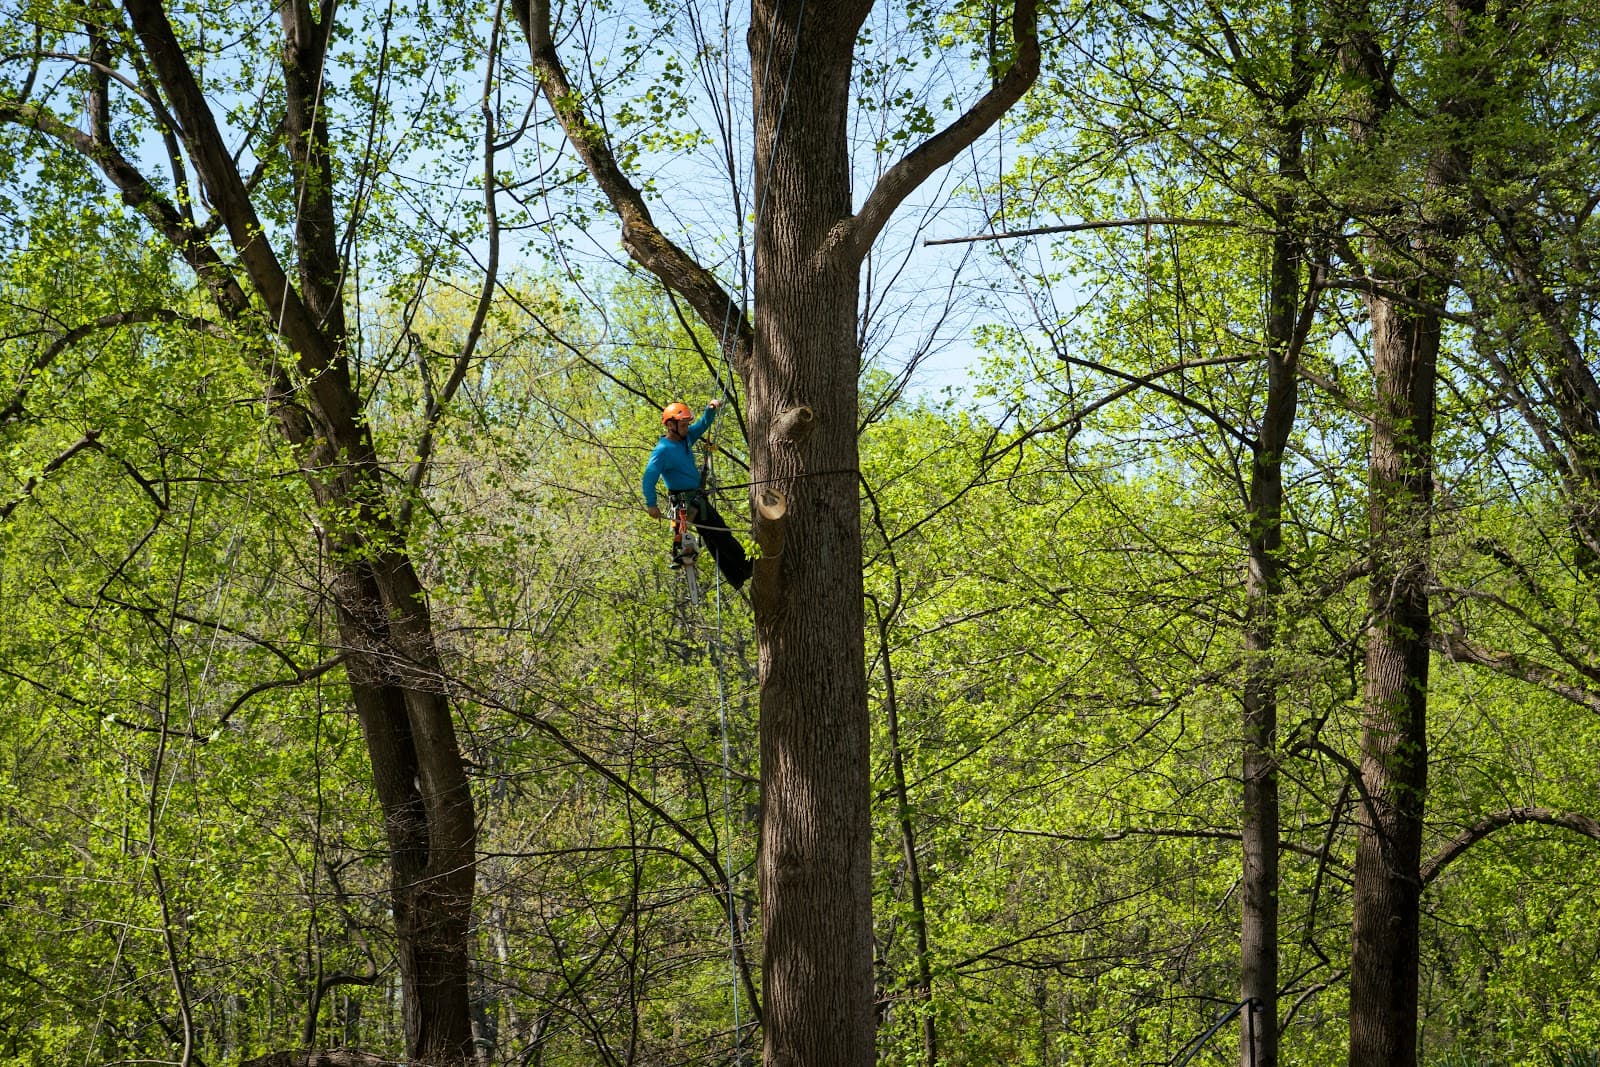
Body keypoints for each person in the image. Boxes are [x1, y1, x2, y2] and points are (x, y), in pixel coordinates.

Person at [642, 398, 752, 590]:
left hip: (696, 498)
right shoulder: (662, 451)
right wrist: (651, 504)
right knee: (720, 532)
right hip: (686, 501)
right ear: (670, 425)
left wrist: (710, 410)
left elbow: (702, 425)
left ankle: (736, 575)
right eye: (683, 425)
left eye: (686, 425)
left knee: (712, 537)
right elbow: (649, 477)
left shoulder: (685, 439)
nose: (687, 428)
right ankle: (746, 565)